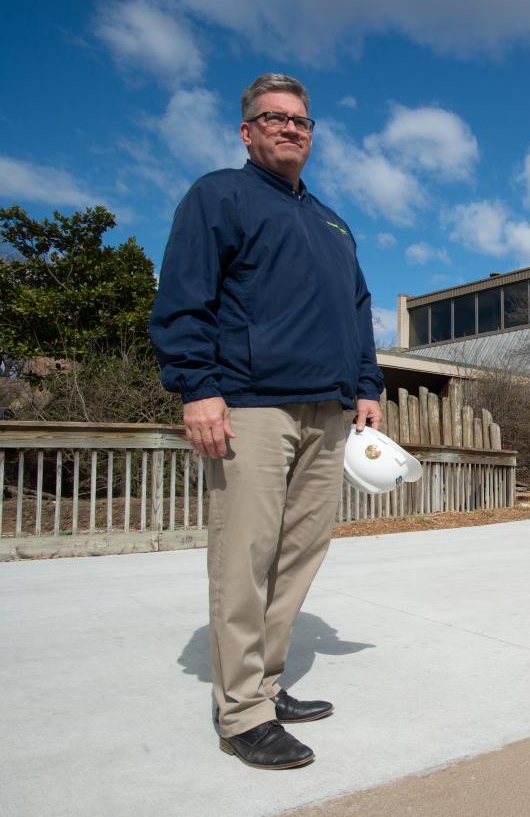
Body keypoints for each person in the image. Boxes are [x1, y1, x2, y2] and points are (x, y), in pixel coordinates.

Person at [150, 73, 383, 770]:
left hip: (330, 410)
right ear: (247, 130)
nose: (290, 128)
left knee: (297, 556)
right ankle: (241, 712)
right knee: (244, 558)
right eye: (273, 118)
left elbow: (358, 310)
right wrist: (197, 389)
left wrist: (367, 384)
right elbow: (185, 298)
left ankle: (266, 683)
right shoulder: (217, 195)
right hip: (250, 404)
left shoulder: (333, 222)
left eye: (301, 121)